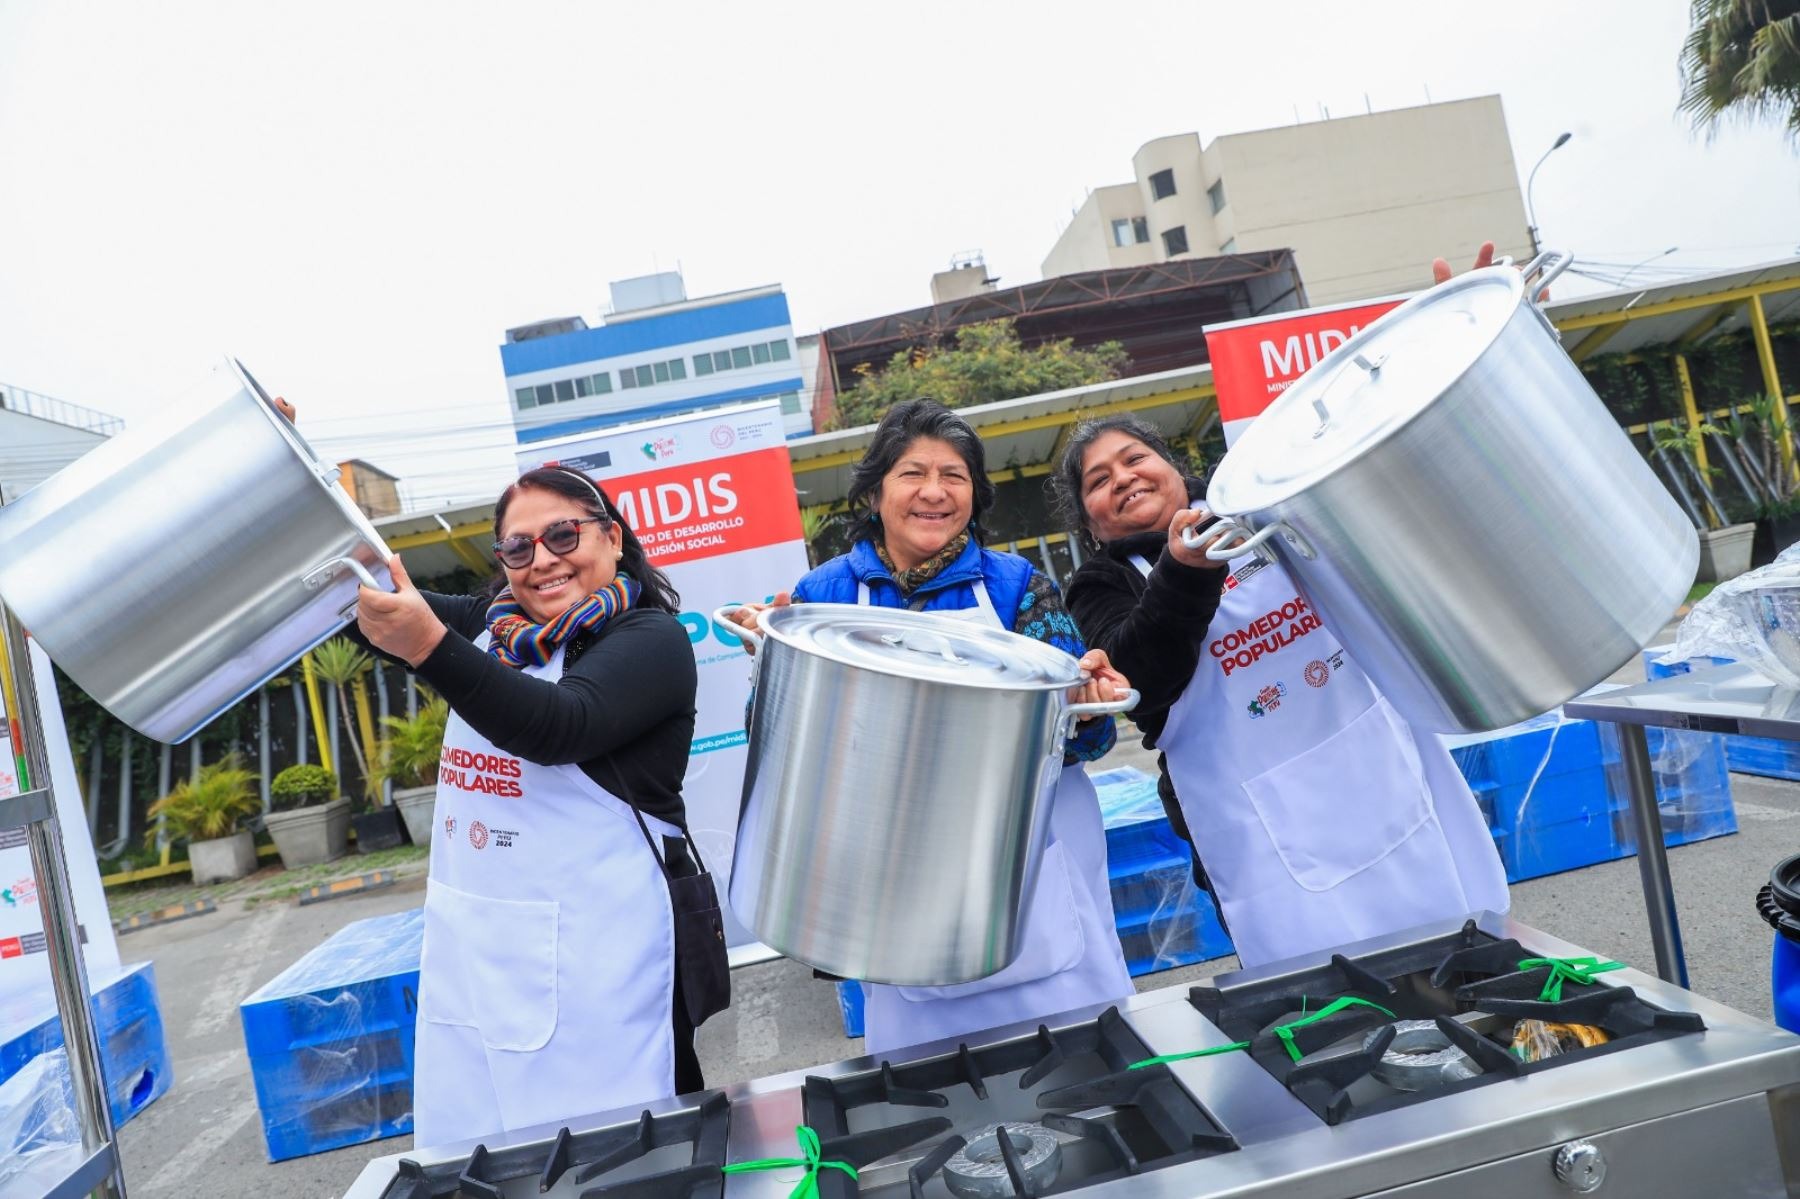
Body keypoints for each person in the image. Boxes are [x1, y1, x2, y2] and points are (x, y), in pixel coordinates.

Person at [726, 398, 1135, 1054]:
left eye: (955, 476)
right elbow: (772, 738)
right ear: (876, 490)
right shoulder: (821, 597)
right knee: (931, 1094)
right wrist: (771, 672)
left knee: (1082, 1067)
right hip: (892, 890)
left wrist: (1084, 697)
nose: (934, 493)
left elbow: (1089, 738)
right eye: (913, 473)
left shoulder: (1017, 588)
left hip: (1021, 871)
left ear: (975, 494)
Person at [338, 459, 712, 1146]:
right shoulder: (490, 628)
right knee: (493, 1159)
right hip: (480, 963)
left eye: (564, 536)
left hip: (606, 973)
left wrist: (427, 643)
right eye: (518, 547)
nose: (542, 560)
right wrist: (307, 496)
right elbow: (354, 603)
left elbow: (559, 725)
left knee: (628, 1162)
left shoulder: (650, 640)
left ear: (613, 538)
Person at [1051, 413, 1509, 970]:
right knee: (1320, 990)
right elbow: (1143, 677)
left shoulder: (1256, 510)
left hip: (1376, 763)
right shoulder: (1101, 583)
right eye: (1098, 481)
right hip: (1256, 821)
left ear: (1172, 467)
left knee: (1452, 944)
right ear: (1091, 527)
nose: (1121, 478)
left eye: (1133, 459)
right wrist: (1183, 569)